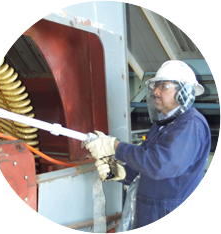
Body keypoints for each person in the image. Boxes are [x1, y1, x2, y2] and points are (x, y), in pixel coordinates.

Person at [85, 60, 211, 228]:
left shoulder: (190, 124)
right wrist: (123, 173)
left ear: (183, 92)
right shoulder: (163, 123)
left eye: (164, 86)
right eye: (155, 86)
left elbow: (160, 165)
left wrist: (115, 146)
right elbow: (146, 161)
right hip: (150, 212)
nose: (156, 92)